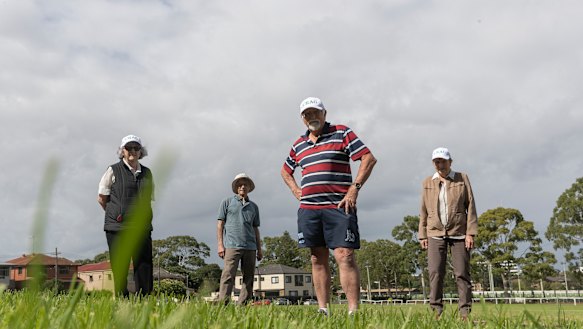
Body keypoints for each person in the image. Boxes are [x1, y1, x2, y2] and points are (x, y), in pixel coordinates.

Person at [281, 97, 377, 315]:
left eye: (316, 112)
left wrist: (354, 188)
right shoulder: (298, 144)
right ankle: (323, 308)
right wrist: (296, 191)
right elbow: (285, 171)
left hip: (339, 206)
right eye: (307, 114)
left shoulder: (341, 132)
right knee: (317, 257)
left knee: (345, 255)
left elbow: (368, 158)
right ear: (302, 119)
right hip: (309, 209)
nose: (312, 117)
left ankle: (354, 311)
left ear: (324, 113)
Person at [418, 147, 477, 320]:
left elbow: (471, 205)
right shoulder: (427, 182)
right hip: (434, 233)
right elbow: (423, 210)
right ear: (433, 163)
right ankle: (436, 312)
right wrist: (422, 234)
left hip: (459, 233)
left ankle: (465, 313)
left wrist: (470, 233)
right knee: (435, 272)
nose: (440, 164)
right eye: (436, 161)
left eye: (443, 161)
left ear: (450, 162)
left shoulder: (462, 178)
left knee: (462, 273)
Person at [97, 134, 155, 296]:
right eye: (129, 148)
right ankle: (122, 298)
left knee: (144, 264)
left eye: (136, 148)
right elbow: (102, 198)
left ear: (140, 151)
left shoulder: (147, 173)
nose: (133, 151)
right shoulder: (113, 170)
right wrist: (115, 213)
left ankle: (144, 299)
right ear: (122, 151)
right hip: (117, 226)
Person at [217, 173, 262, 305]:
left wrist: (259, 249)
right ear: (236, 187)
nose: (243, 186)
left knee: (249, 278)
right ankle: (223, 306)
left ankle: (243, 306)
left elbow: (255, 229)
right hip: (232, 245)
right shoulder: (227, 202)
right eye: (240, 184)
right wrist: (220, 244)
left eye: (245, 184)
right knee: (228, 275)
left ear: (249, 188)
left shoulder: (254, 207)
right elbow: (220, 224)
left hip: (250, 247)